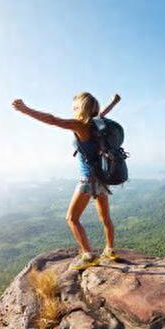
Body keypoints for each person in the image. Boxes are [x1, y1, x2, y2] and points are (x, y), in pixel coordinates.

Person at [12, 92, 121, 269]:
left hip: (87, 180)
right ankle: (110, 250)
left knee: (72, 218)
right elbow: (103, 113)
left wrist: (26, 110)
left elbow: (52, 119)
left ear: (81, 108)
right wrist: (114, 102)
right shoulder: (98, 124)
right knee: (106, 218)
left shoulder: (79, 125)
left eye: (75, 106)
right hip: (102, 179)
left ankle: (88, 254)